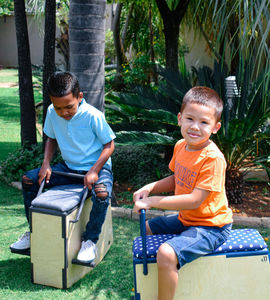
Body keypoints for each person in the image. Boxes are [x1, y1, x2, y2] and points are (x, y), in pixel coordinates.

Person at [133, 86, 233, 300]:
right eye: (190, 119)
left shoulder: (213, 159)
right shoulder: (181, 146)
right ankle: (155, 285)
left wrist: (153, 201)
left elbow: (194, 200)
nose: (195, 127)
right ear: (179, 118)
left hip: (212, 227)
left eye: (204, 122)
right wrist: (150, 187)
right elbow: (176, 179)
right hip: (188, 219)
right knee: (149, 228)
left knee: (166, 253)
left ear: (215, 127)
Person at [10, 71, 116, 263]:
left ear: (80, 97)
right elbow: (50, 137)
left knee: (101, 193)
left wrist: (94, 170)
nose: (64, 112)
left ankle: (90, 241)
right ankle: (34, 233)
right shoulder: (52, 112)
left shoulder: (93, 115)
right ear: (51, 101)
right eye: (58, 108)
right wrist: (46, 164)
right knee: (28, 179)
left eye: (69, 107)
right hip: (68, 169)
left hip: (97, 169)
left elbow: (109, 145)